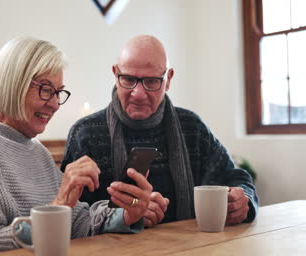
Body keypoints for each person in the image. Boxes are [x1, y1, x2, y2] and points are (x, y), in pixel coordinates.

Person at [0, 36, 153, 256]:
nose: (55, 104)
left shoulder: (36, 150)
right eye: (46, 89)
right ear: (14, 83)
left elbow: (75, 221)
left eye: (58, 92)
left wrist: (126, 214)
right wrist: (59, 206)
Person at [61, 35, 258, 228]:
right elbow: (71, 217)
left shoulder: (192, 128)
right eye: (128, 79)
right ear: (115, 74)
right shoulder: (85, 134)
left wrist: (243, 200)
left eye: (152, 81)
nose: (138, 93)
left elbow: (236, 178)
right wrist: (127, 215)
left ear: (168, 79)